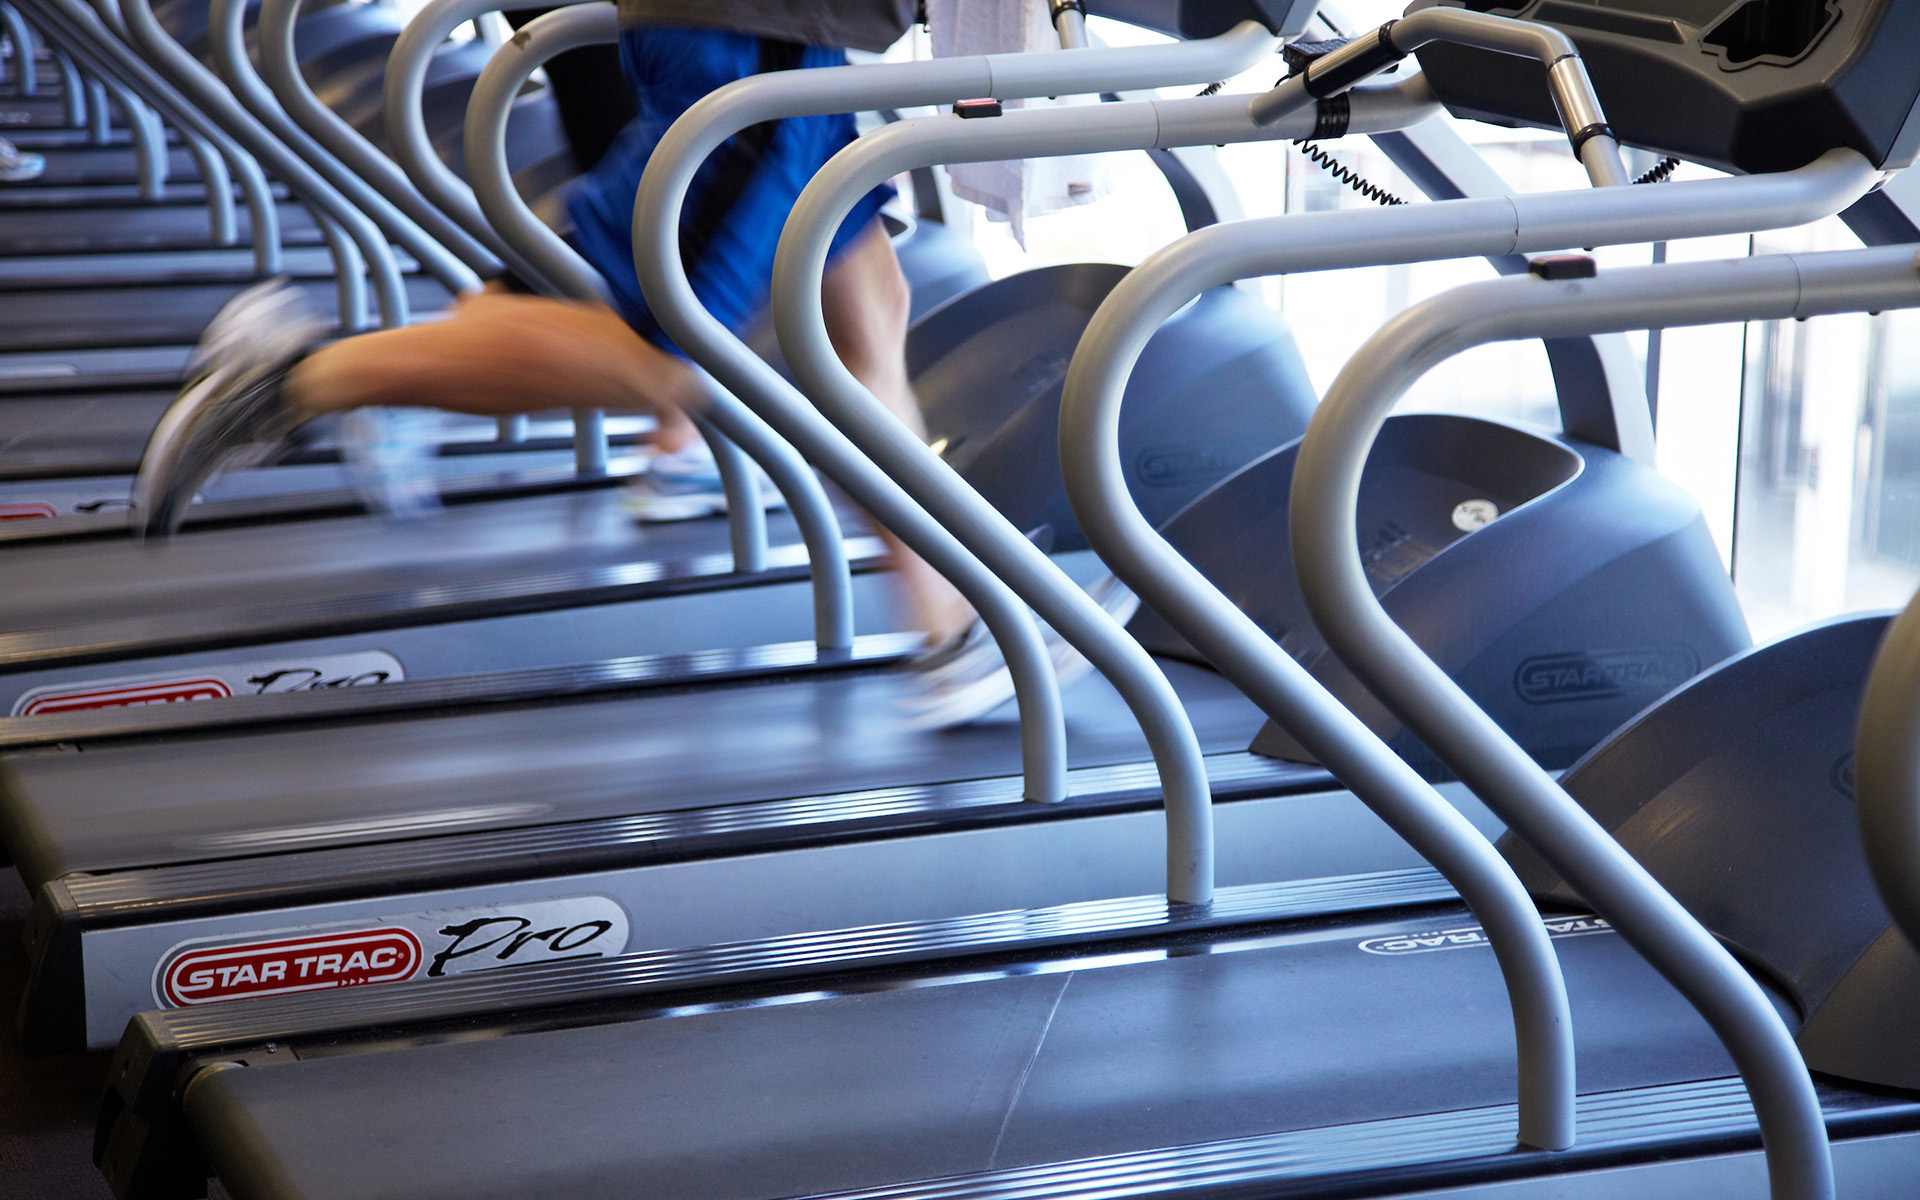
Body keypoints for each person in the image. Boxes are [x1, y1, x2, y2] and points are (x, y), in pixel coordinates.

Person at [133, 0, 1096, 725]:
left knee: (865, 303)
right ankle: (294, 381)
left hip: (773, 29)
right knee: (666, 357)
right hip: (747, 21)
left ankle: (950, 621)